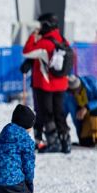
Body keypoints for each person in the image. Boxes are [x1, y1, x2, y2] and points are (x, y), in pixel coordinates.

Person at [23, 13, 71, 153]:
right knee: (59, 113)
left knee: (47, 113)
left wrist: (33, 36)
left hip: (45, 84)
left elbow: (27, 51)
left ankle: (53, 142)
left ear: (45, 25)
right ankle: (65, 141)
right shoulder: (63, 41)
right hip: (61, 84)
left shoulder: (45, 43)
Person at [64, 74, 97, 148]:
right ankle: (87, 139)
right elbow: (62, 114)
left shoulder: (92, 83)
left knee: (96, 111)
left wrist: (87, 107)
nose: (74, 94)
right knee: (86, 141)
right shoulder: (68, 96)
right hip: (85, 120)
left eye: (76, 91)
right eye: (72, 92)